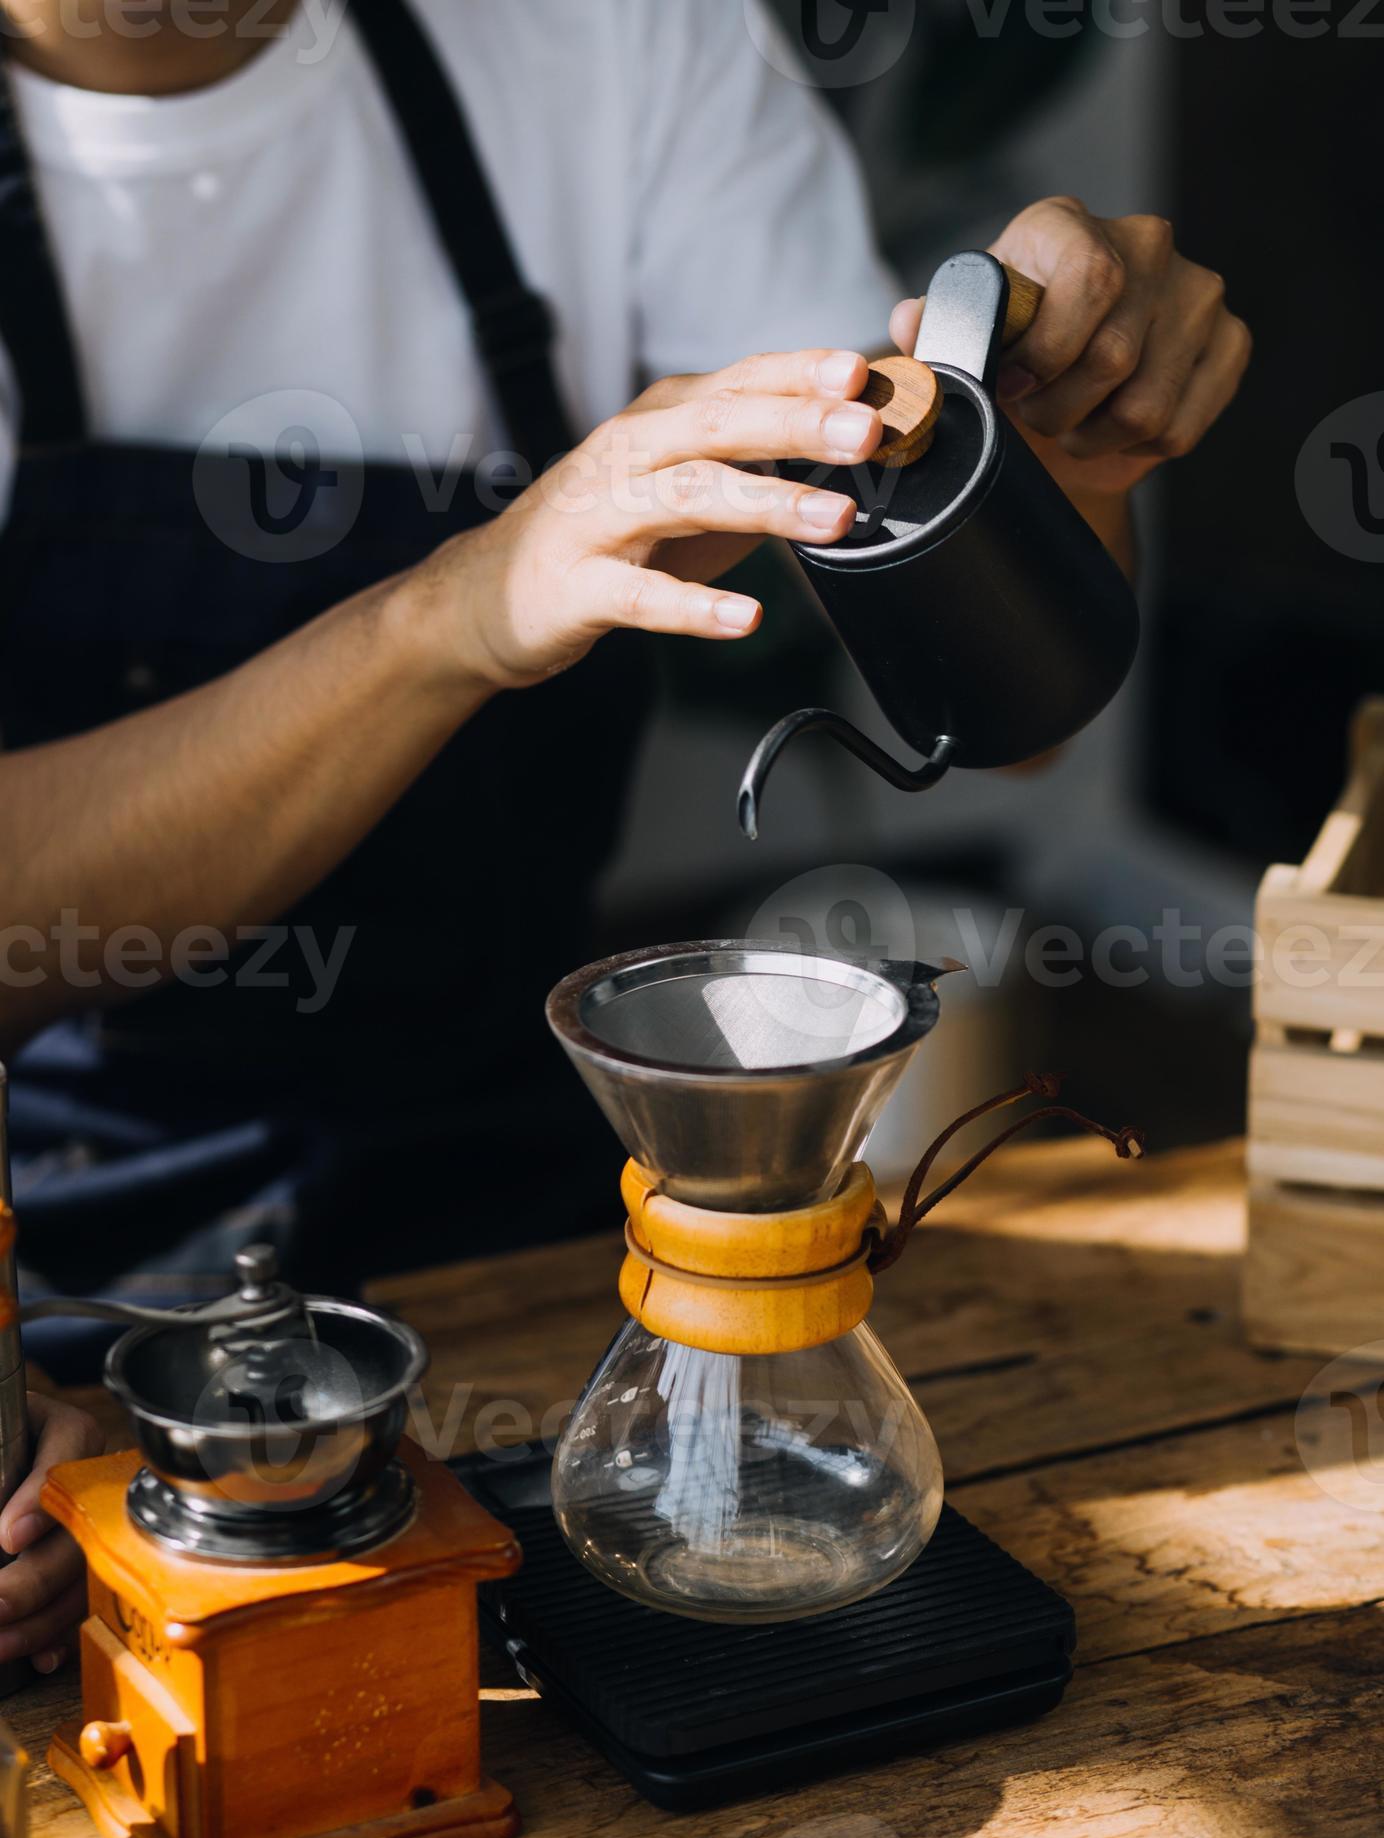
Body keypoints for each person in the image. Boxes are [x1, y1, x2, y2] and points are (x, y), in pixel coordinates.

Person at [0, 0, 1249, 1664]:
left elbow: (1006, 729)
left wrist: (1044, 458)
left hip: (537, 1207)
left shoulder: (611, 40)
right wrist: (452, 611)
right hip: (70, 1301)